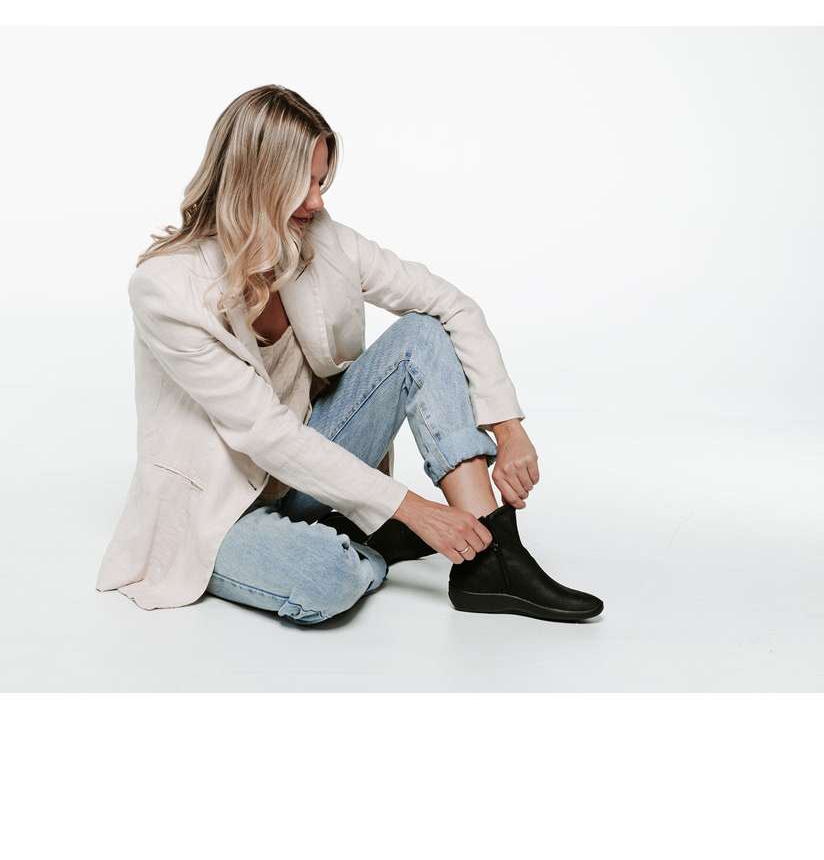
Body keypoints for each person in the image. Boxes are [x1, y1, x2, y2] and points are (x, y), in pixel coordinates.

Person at [95, 85, 603, 624]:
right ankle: (370, 538)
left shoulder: (323, 240)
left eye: (321, 181)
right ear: (253, 180)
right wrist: (413, 511)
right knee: (328, 579)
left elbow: (453, 305)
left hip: (305, 475)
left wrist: (507, 426)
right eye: (301, 184)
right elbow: (266, 434)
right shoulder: (166, 288)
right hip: (219, 511)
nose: (317, 201)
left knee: (421, 336)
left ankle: (492, 557)